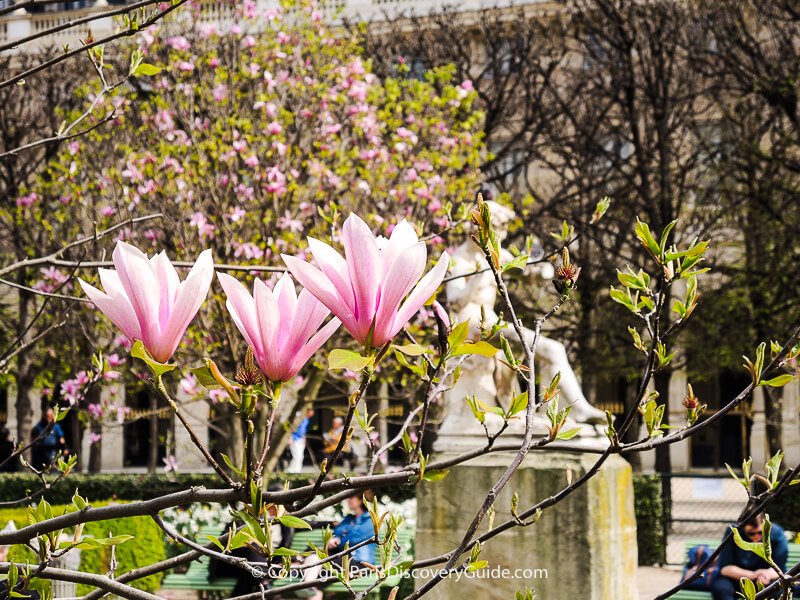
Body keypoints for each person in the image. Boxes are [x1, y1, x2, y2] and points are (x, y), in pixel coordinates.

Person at [303, 492, 377, 600]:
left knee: (317, 572)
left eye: (351, 497)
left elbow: (355, 537)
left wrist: (338, 541)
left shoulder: (370, 519)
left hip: (360, 563)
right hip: (341, 559)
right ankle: (308, 587)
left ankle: (308, 587)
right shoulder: (349, 519)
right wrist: (333, 540)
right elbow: (337, 533)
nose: (348, 500)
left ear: (361, 500)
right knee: (315, 561)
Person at [711, 513, 788, 600]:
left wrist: (765, 575)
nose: (756, 537)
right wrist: (754, 575)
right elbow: (725, 568)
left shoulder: (776, 533)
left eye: (760, 532)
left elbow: (779, 567)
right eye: (751, 533)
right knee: (721, 588)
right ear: (743, 527)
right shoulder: (734, 532)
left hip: (767, 579)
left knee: (778, 589)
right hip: (738, 578)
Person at [288, 408, 314, 473]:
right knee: (297, 456)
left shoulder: (307, 420)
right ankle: (291, 470)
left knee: (301, 456)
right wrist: (290, 438)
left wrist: (304, 438)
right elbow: (291, 428)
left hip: (300, 439)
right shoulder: (299, 418)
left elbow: (303, 430)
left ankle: (297, 470)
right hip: (294, 439)